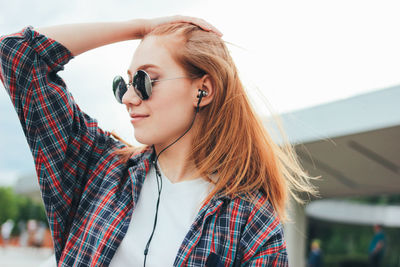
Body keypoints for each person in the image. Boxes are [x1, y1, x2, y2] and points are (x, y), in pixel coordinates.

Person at [0, 15, 315, 266]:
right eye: (124, 82)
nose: (129, 98)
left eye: (145, 80)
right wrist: (141, 28)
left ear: (203, 89)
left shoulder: (250, 220)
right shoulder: (99, 168)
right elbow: (16, 54)